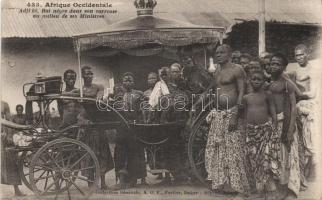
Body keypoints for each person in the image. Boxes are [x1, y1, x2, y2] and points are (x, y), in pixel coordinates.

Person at [204, 44, 249, 194]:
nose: (218, 55)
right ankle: (222, 183)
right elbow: (213, 90)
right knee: (219, 150)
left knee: (233, 151)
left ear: (229, 54)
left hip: (232, 114)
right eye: (216, 53)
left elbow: (243, 92)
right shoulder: (217, 71)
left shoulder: (237, 69)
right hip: (218, 114)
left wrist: (235, 114)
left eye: (222, 52)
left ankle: (236, 186)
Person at [269, 53, 300, 200]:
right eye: (272, 63)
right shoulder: (269, 82)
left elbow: (293, 107)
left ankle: (284, 188)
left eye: (277, 64)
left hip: (285, 124)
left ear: (283, 67)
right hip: (272, 124)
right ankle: (275, 187)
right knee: (274, 156)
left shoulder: (287, 83)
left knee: (284, 157)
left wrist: (290, 129)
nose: (274, 66)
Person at [243, 71, 280, 193]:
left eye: (259, 79)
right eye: (254, 79)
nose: (256, 81)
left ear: (264, 81)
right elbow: (244, 115)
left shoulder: (267, 95)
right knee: (253, 159)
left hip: (264, 131)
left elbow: (272, 110)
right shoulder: (246, 97)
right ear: (250, 81)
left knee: (265, 159)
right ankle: (259, 188)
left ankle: (269, 189)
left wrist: (274, 124)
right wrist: (245, 130)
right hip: (251, 131)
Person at [77, 66, 114, 190]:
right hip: (88, 127)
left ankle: (103, 182)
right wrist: (84, 121)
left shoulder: (98, 87)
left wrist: (98, 97)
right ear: (82, 76)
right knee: (88, 155)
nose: (89, 75)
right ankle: (91, 183)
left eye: (91, 73)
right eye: (86, 74)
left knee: (102, 154)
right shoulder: (80, 91)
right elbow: (80, 112)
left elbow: (101, 95)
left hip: (98, 124)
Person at [287, 44, 318, 187]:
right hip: (297, 105)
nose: (299, 57)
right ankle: (298, 173)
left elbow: (313, 93)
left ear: (307, 54)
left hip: (309, 105)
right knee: (297, 139)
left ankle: (311, 171)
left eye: (301, 55)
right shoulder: (294, 69)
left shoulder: (314, 70)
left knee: (309, 138)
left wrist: (296, 87)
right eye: (297, 55)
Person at [113, 72, 147, 188]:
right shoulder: (117, 95)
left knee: (134, 153)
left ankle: (133, 179)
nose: (127, 82)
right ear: (122, 82)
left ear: (134, 82)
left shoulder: (139, 94)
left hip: (134, 127)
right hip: (121, 128)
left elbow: (144, 108)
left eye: (130, 80)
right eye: (125, 80)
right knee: (120, 153)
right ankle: (121, 180)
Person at [1, 101, 25, 196]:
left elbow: (8, 121)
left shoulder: (4, 104)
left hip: (4, 138)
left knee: (11, 164)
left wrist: (9, 137)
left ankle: (17, 190)